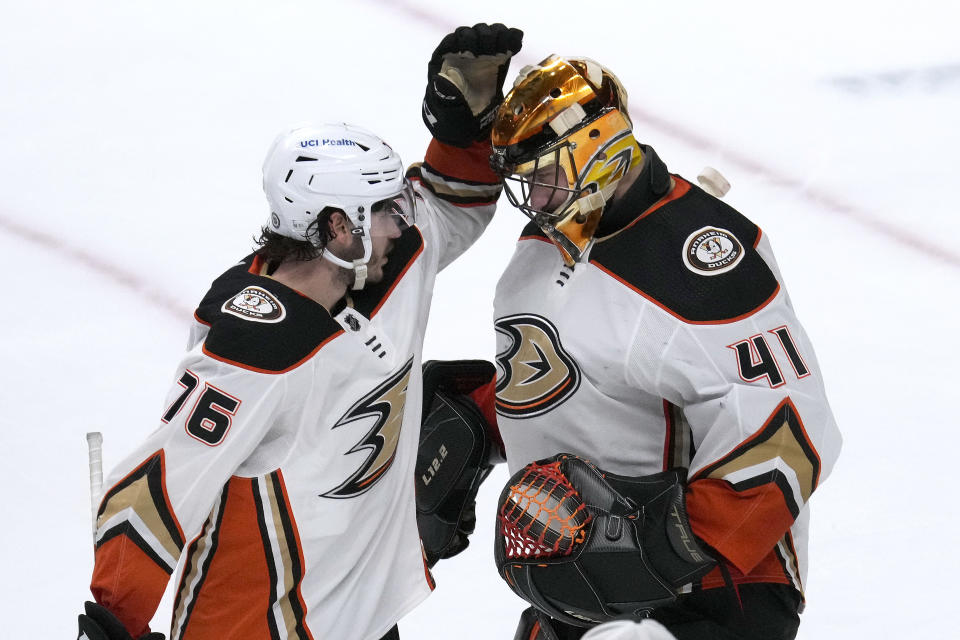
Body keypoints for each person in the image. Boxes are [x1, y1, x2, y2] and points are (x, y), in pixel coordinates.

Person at [76, 24, 522, 640]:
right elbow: (158, 487)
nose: (402, 221)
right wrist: (114, 617)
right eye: (384, 209)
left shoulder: (387, 258)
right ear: (339, 225)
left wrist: (460, 130)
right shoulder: (254, 343)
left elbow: (450, 205)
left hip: (358, 617)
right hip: (261, 626)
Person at [486, 55, 842, 640]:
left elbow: (789, 427)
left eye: (545, 173)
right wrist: (476, 411)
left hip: (710, 591)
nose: (535, 197)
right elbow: (579, 376)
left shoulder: (702, 258)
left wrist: (661, 550)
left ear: (595, 147)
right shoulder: (546, 241)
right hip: (584, 580)